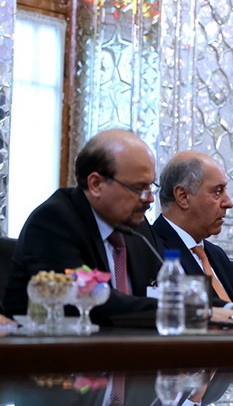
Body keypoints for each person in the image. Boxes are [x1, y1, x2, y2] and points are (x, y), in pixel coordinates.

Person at [3, 129, 161, 324]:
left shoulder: (137, 227)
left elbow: (163, 287)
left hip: (130, 340)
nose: (150, 198)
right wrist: (173, 308)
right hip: (47, 341)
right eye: (138, 188)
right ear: (96, 184)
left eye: (151, 186)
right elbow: (86, 302)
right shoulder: (54, 221)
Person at [154, 151, 233, 320]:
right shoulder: (151, 248)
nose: (229, 203)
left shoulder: (216, 255)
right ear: (183, 197)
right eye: (217, 192)